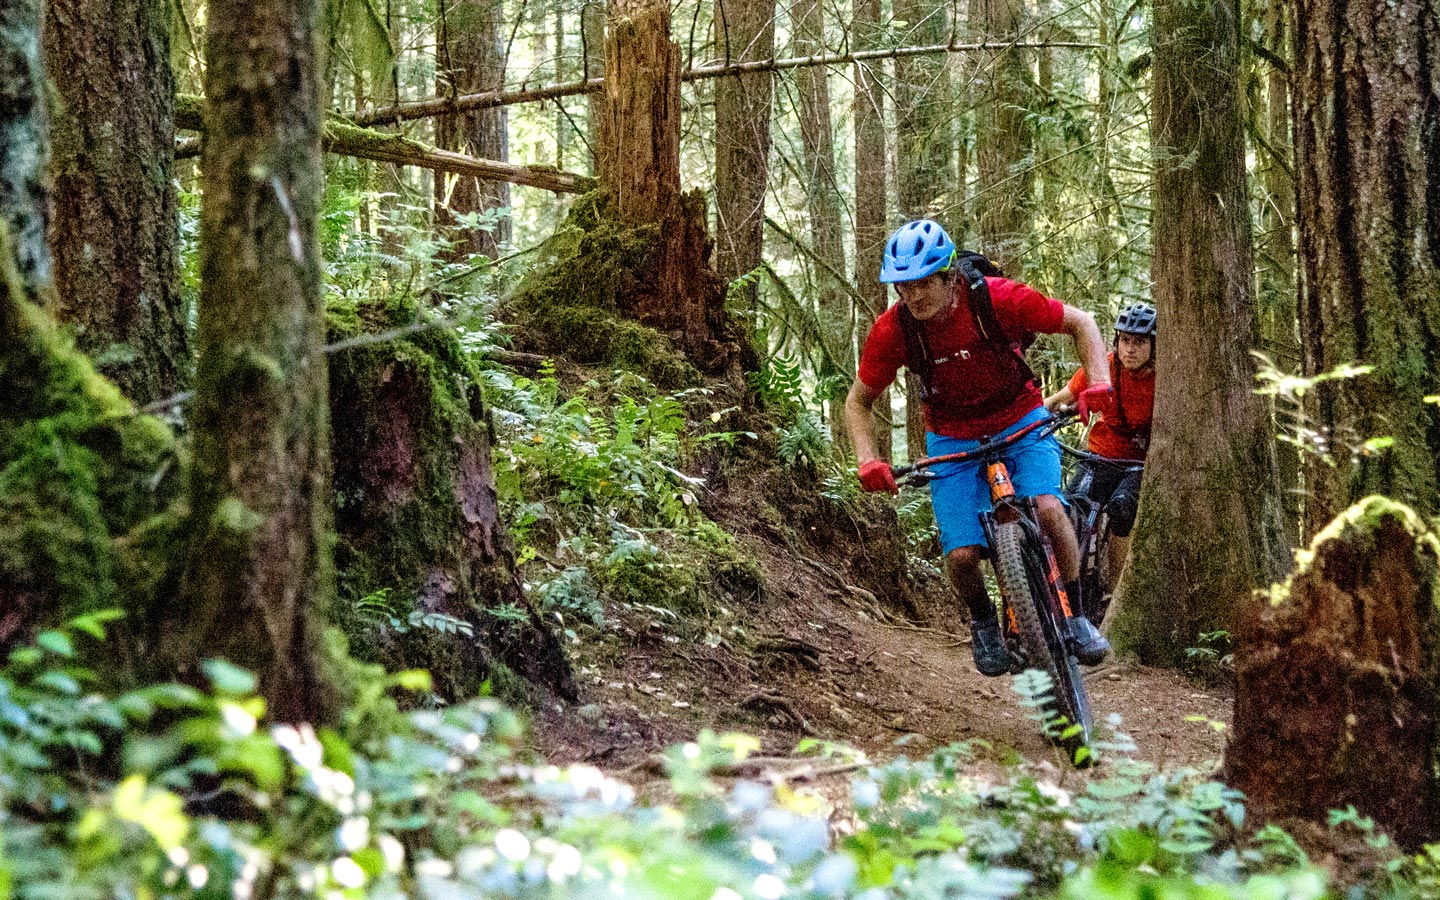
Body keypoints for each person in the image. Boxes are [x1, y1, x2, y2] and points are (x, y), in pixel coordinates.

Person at [845, 219, 1116, 676]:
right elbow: (858, 402)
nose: (913, 296)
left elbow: (1081, 323)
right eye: (903, 287)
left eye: (923, 282)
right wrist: (868, 460)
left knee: (1049, 510)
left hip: (1020, 416)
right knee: (962, 555)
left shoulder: (996, 298)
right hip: (951, 435)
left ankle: (1076, 614)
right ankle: (983, 622)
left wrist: (1100, 383)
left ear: (950, 276)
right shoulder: (894, 331)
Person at [1044, 302, 1156, 605]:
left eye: (1140, 342)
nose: (1130, 349)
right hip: (1100, 453)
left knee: (1122, 510)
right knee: (1072, 505)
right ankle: (1062, 584)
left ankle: (1117, 593)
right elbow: (1058, 399)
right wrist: (1040, 418)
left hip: (1138, 464)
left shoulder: (1164, 379)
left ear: (1154, 345)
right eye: (1125, 340)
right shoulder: (1103, 367)